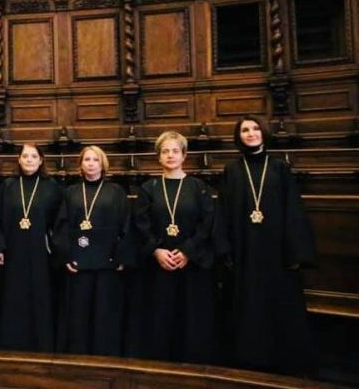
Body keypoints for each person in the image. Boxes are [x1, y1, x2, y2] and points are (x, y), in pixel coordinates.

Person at [215, 115, 316, 374]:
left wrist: (295, 252)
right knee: (246, 305)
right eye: (245, 130)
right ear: (239, 137)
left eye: (255, 129)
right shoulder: (232, 170)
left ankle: (282, 359)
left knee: (278, 305)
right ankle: (249, 357)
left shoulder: (279, 168)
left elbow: (293, 210)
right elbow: (223, 212)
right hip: (244, 250)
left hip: (276, 253)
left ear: (263, 133)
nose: (251, 134)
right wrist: (224, 249)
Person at [132, 131, 216, 363]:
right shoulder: (148, 188)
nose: (170, 155)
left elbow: (207, 224)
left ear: (184, 155)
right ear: (159, 157)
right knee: (160, 316)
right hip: (158, 265)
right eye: (165, 151)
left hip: (191, 265)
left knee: (191, 317)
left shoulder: (199, 187)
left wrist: (188, 250)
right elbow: (141, 224)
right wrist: (156, 250)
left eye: (175, 151)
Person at [53, 145, 132, 356]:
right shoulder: (70, 192)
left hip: (107, 266)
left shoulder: (116, 192)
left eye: (95, 160)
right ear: (80, 164)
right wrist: (66, 256)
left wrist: (122, 255)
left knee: (104, 312)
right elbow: (61, 225)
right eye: (86, 159)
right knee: (78, 314)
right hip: (79, 266)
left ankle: (106, 356)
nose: (90, 163)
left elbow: (126, 225)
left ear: (102, 164)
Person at [0, 143, 61, 352]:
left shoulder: (52, 187)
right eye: (25, 156)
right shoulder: (8, 186)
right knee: (12, 298)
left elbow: (59, 222)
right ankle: (11, 344)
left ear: (41, 161)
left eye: (34, 156)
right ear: (19, 160)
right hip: (13, 252)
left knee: (40, 297)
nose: (29, 160)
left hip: (41, 253)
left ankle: (41, 345)